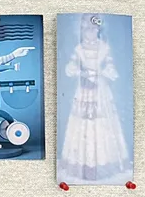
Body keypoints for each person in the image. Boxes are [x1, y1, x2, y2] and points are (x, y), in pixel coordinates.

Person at [57, 14, 132, 184]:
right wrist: (81, 73)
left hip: (99, 90)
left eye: (93, 30)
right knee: (82, 123)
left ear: (98, 30)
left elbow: (111, 68)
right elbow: (70, 68)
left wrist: (101, 73)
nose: (89, 33)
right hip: (84, 89)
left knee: (101, 123)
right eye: (86, 30)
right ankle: (83, 164)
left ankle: (102, 163)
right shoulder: (79, 49)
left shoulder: (104, 48)